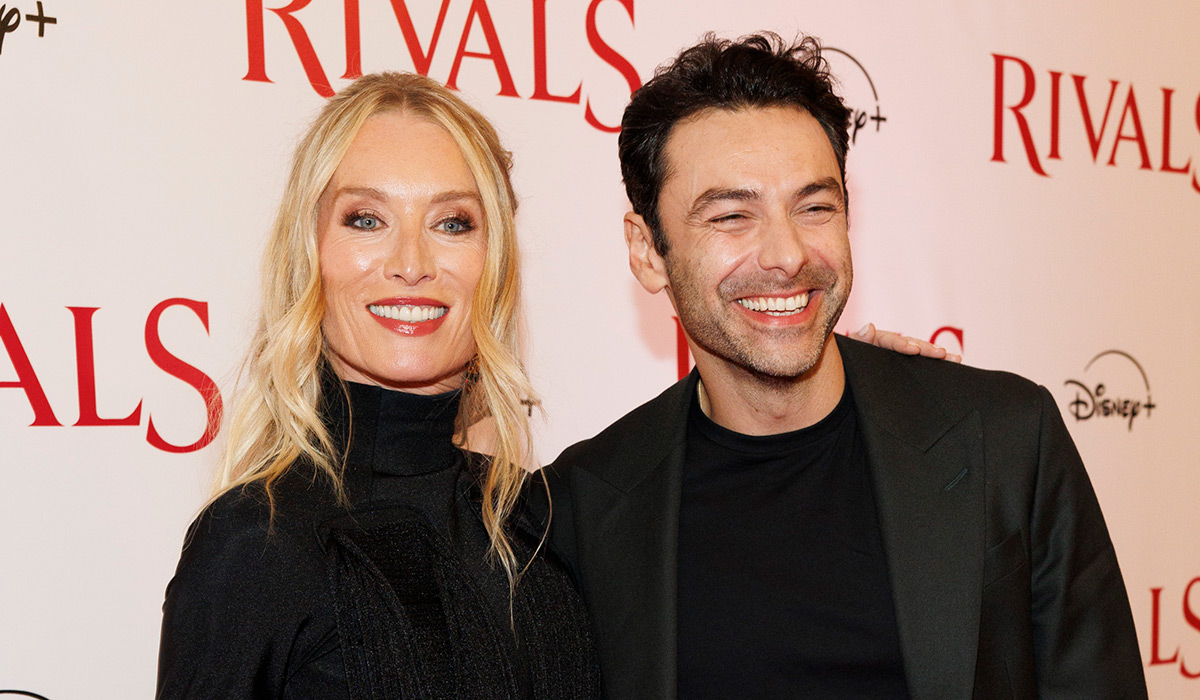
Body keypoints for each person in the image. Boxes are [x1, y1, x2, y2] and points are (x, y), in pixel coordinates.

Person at [541, 33, 1148, 700]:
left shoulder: (1006, 441)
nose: (787, 254)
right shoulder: (580, 507)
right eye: (732, 216)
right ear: (647, 251)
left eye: (815, 207)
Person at [155, 72, 600, 699]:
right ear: (309, 251)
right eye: (366, 219)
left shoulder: (537, 525)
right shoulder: (256, 541)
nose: (412, 263)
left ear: (493, 261)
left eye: (452, 223)